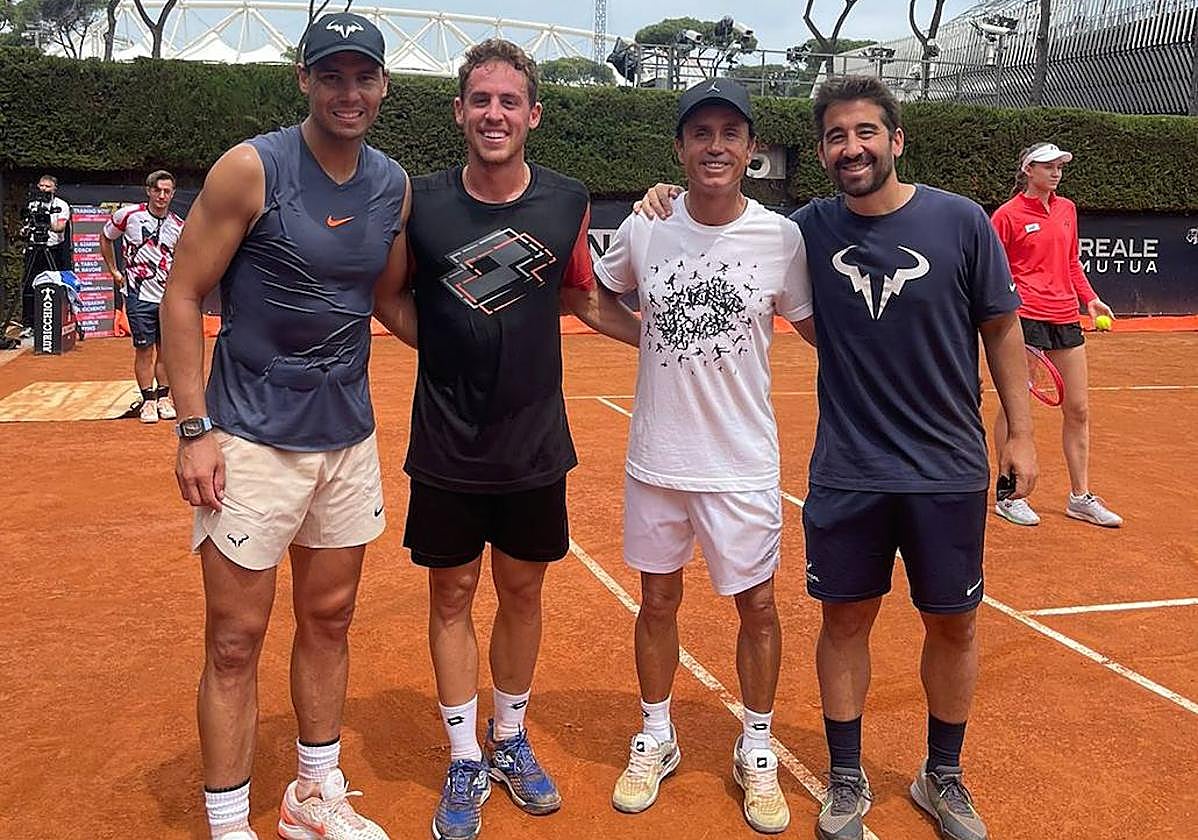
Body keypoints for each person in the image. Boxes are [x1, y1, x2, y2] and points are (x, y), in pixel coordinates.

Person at [638, 75, 1038, 840]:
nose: (850, 148)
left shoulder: (961, 222)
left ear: (896, 139)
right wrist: (663, 195)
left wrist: (1018, 432)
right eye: (834, 136)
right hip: (848, 466)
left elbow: (1001, 326)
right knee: (844, 621)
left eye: (864, 132)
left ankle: (941, 774)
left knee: (952, 625)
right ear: (820, 150)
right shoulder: (807, 230)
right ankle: (846, 776)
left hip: (947, 465)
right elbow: (721, 223)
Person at [160, 13, 408, 840]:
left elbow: (390, 301)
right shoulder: (250, 168)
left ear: (382, 86)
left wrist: (492, 334)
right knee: (234, 640)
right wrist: (193, 430)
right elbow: (184, 295)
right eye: (331, 75)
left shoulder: (392, 185)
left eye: (363, 76)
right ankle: (230, 825)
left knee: (330, 621)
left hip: (347, 437)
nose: (349, 91)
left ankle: (312, 793)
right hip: (248, 437)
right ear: (303, 78)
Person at [397, 38, 639, 840]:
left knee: (525, 591)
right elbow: (384, 295)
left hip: (536, 440)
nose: (493, 114)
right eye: (480, 100)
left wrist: (659, 339)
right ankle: (465, 754)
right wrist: (448, 356)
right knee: (453, 594)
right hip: (447, 441)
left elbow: (581, 296)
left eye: (509, 101)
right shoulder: (420, 201)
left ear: (532, 114)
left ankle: (509, 736)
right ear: (459, 110)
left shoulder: (567, 201)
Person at [597, 78, 813, 835]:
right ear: (682, 147)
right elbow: (596, 297)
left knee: (758, 607)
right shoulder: (645, 227)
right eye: (701, 133)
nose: (715, 147)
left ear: (751, 149)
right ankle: (656, 734)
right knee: (657, 601)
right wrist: (649, 338)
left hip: (744, 464)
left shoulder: (782, 239)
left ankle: (756, 746)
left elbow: (825, 331)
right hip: (658, 459)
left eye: (730, 133)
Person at [989, 142, 1122, 528]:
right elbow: (994, 268)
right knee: (1017, 409)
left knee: (1078, 408)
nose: (1056, 172)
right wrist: (1004, 312)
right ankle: (1008, 492)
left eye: (1060, 166)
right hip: (1024, 318)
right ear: (1029, 170)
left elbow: (1070, 262)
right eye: (1049, 166)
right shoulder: (1007, 215)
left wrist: (1091, 300)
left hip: (1065, 317)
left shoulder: (1067, 210)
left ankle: (1080, 496)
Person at [102, 170, 184, 423]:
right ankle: (147, 400)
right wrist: (114, 271)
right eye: (157, 190)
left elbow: (183, 259)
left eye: (167, 191)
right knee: (144, 349)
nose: (162, 196)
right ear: (148, 190)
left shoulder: (178, 225)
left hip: (167, 298)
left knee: (167, 351)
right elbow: (105, 238)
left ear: (172, 194)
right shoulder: (128, 216)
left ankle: (163, 397)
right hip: (138, 296)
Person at [20, 174, 73, 336]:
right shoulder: (32, 205)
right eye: (41, 185)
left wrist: (45, 220)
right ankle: (29, 324)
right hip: (34, 248)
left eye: (47, 186)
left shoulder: (61, 205)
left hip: (54, 250)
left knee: (56, 284)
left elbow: (59, 227)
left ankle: (59, 322)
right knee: (29, 285)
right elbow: (27, 224)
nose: (43, 189)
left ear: (54, 188)